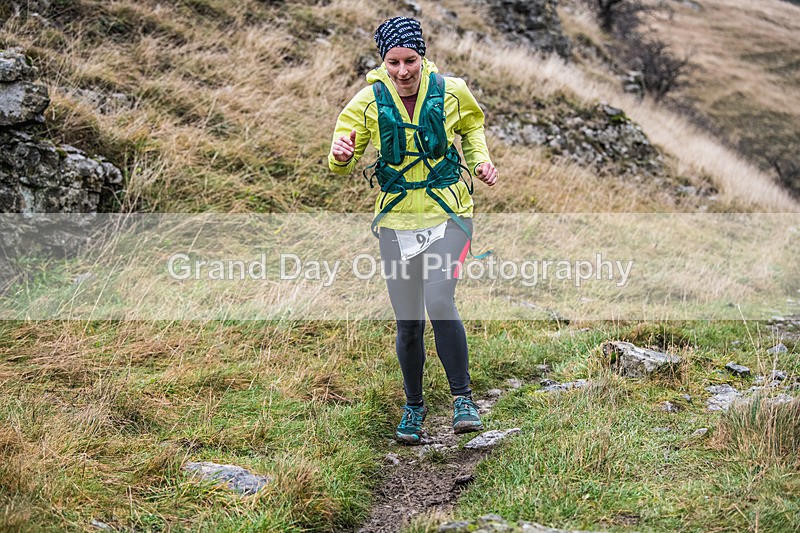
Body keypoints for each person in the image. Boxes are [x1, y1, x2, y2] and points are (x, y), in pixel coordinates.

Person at [328, 16, 498, 444]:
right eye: (393, 62)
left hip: (449, 213)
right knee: (408, 323)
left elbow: (472, 126)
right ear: (382, 62)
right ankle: (414, 406)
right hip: (397, 221)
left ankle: (463, 400)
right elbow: (340, 159)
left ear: (422, 56)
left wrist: (480, 160)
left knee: (439, 301)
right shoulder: (366, 102)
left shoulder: (452, 91)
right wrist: (341, 155)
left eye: (410, 61)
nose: (402, 71)